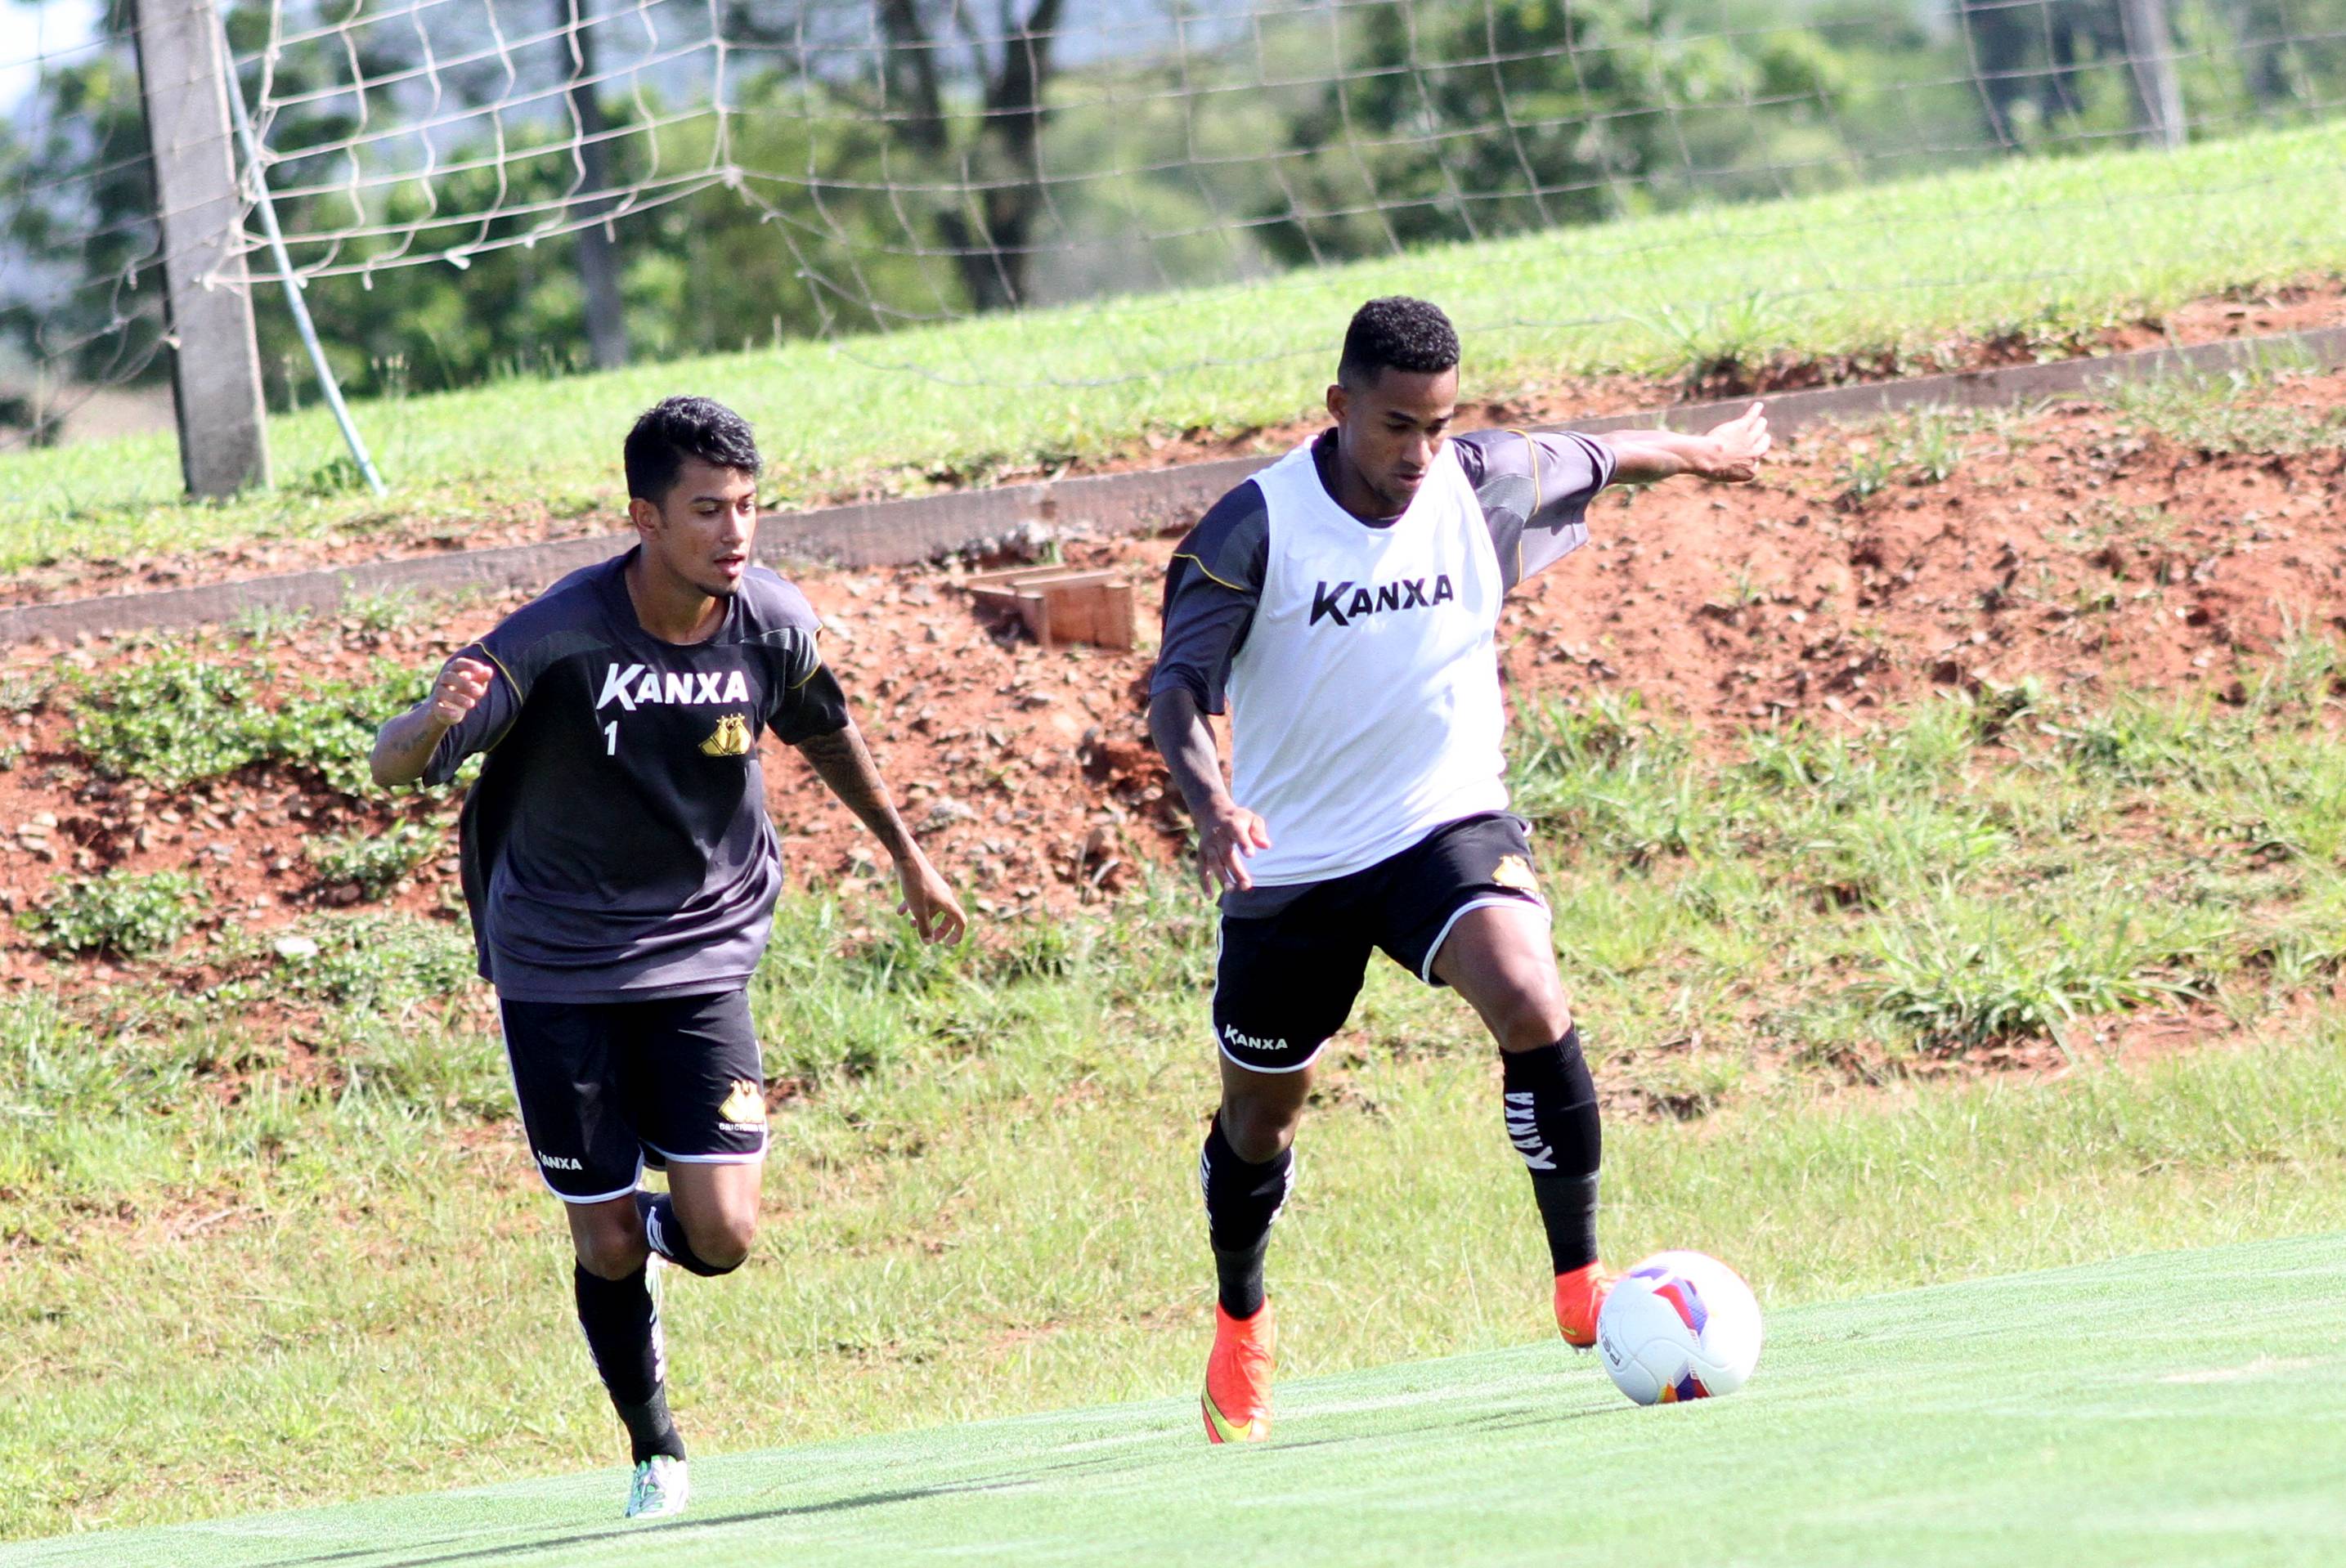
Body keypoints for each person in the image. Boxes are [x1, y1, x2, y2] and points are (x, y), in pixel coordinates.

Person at [1147, 296, 1770, 1443]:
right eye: (1396, 426)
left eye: (1438, 425)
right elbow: (1178, 685)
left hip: (1442, 823)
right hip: (1295, 864)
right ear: (1338, 407)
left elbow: (1603, 452)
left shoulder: (1480, 480)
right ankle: (1242, 1318)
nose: (1419, 453)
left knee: (1529, 990)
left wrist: (1703, 452)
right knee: (1258, 1121)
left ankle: (1579, 1279)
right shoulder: (1254, 528)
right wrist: (1212, 805)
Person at [370, 395, 967, 1516]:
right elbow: (396, 762)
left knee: (723, 1234)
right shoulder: (560, 634)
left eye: (747, 506)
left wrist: (907, 855)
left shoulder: (770, 621)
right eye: (707, 511)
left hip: (700, 954)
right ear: (645, 517)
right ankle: (655, 1446)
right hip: (559, 962)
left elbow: (825, 729)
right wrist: (428, 720)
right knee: (604, 1244)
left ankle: (640, 1223)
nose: (735, 532)